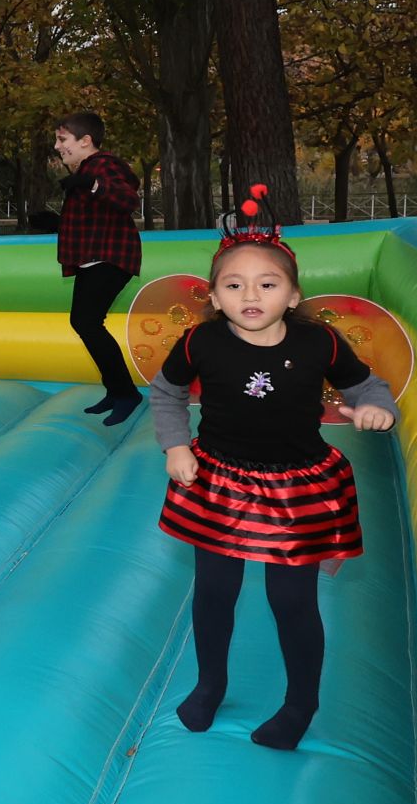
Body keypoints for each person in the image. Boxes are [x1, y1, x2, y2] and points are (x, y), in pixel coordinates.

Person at [148, 202, 396, 751]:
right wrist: (174, 446)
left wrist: (376, 409)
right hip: (218, 480)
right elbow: (166, 393)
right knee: (215, 590)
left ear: (294, 294)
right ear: (213, 297)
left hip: (296, 487)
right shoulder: (200, 342)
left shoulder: (320, 343)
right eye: (234, 286)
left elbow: (365, 387)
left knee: (292, 600)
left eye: (267, 284)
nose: (251, 296)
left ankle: (300, 703)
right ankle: (211, 684)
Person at [54, 111, 145, 426]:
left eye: (62, 139)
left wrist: (91, 183)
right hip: (94, 258)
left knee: (86, 322)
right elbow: (96, 215)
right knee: (86, 322)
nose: (57, 146)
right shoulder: (90, 169)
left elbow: (127, 198)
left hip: (110, 258)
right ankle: (117, 391)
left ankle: (127, 394)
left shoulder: (103, 165)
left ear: (85, 141)